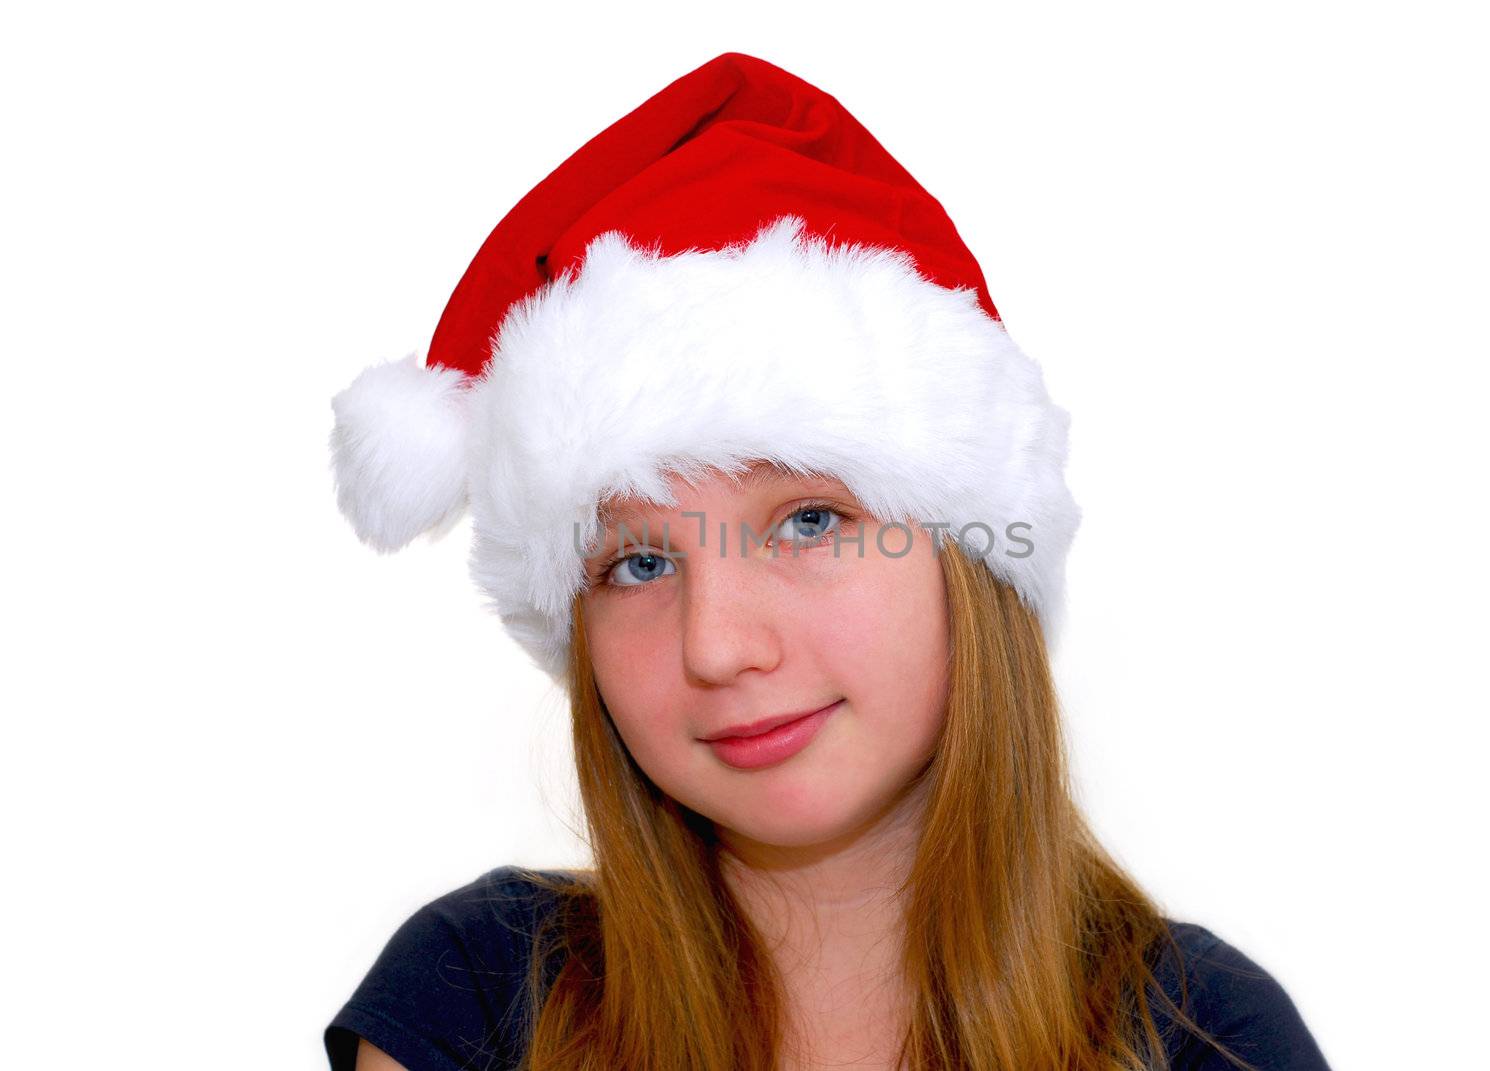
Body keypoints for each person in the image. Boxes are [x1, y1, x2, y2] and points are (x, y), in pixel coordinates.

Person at [324, 51, 1331, 1071]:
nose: (717, 646)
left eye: (808, 521)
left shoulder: (1206, 1037)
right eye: (635, 565)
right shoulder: (473, 999)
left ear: (966, 557)